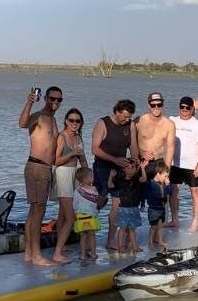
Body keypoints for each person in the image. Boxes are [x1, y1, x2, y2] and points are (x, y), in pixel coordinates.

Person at [18, 85, 62, 266]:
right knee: (38, 213)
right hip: (37, 167)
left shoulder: (53, 119)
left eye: (59, 100)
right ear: (45, 98)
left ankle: (29, 253)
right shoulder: (39, 116)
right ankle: (37, 255)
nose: (55, 103)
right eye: (52, 99)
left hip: (45, 168)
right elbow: (22, 123)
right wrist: (29, 102)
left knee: (33, 212)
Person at [91, 99, 139, 251]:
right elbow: (95, 149)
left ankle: (111, 240)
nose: (127, 119)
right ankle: (83, 232)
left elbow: (133, 147)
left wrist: (135, 164)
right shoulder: (102, 123)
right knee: (99, 201)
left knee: (117, 205)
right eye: (124, 116)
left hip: (121, 170)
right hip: (102, 167)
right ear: (117, 112)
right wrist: (114, 160)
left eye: (129, 117)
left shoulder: (130, 125)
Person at [51, 107, 88, 263]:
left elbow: (83, 160)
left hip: (74, 175)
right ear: (66, 121)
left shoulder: (79, 138)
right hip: (62, 175)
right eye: (71, 120)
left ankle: (61, 245)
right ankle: (57, 253)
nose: (74, 123)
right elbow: (55, 160)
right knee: (71, 218)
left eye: (77, 121)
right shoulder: (61, 137)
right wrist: (72, 153)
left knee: (62, 214)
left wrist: (87, 176)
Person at [168, 96, 198, 232]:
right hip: (175, 164)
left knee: (195, 192)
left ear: (192, 109)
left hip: (191, 165)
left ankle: (195, 221)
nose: (184, 110)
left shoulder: (197, 125)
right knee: (173, 193)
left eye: (188, 108)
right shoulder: (172, 120)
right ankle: (174, 219)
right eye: (182, 107)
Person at [108, 158, 146, 254]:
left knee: (132, 229)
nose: (130, 170)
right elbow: (110, 186)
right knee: (122, 228)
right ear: (124, 169)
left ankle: (134, 246)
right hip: (123, 208)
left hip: (134, 208)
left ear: (135, 169)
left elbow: (144, 179)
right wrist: (111, 176)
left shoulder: (136, 179)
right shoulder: (119, 180)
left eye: (132, 168)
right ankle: (120, 247)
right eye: (127, 168)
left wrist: (142, 168)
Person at [134, 92, 176, 175]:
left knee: (158, 187)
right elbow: (130, 141)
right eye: (153, 105)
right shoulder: (139, 120)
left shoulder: (169, 124)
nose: (156, 107)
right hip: (140, 161)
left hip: (158, 163)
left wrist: (167, 171)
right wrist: (141, 152)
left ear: (162, 105)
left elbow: (170, 148)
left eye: (159, 105)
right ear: (149, 105)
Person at [73, 166, 101, 261]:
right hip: (91, 216)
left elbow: (75, 204)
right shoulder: (94, 189)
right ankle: (93, 254)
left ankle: (83, 255)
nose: (93, 177)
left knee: (83, 236)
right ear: (85, 179)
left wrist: (76, 214)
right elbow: (97, 202)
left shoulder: (77, 190)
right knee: (92, 235)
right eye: (91, 176)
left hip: (80, 216)